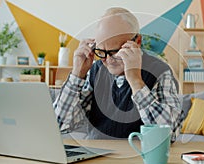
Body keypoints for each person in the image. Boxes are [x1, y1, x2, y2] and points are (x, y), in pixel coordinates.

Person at [53, 7, 183, 142]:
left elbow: (170, 133)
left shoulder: (160, 71)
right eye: (101, 52)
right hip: (96, 155)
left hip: (140, 158)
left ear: (137, 42)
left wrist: (135, 81)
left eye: (115, 52)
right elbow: (60, 124)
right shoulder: (95, 70)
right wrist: (77, 75)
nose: (108, 60)